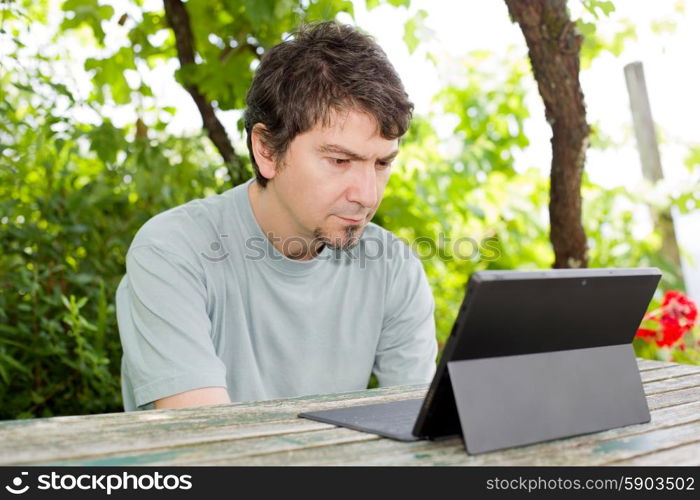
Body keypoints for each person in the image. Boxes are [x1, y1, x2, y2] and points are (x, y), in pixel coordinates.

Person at [116, 20, 437, 411]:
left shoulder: (394, 267)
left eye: (382, 163)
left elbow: (417, 422)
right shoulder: (172, 250)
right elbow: (205, 441)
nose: (367, 195)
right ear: (267, 150)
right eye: (339, 160)